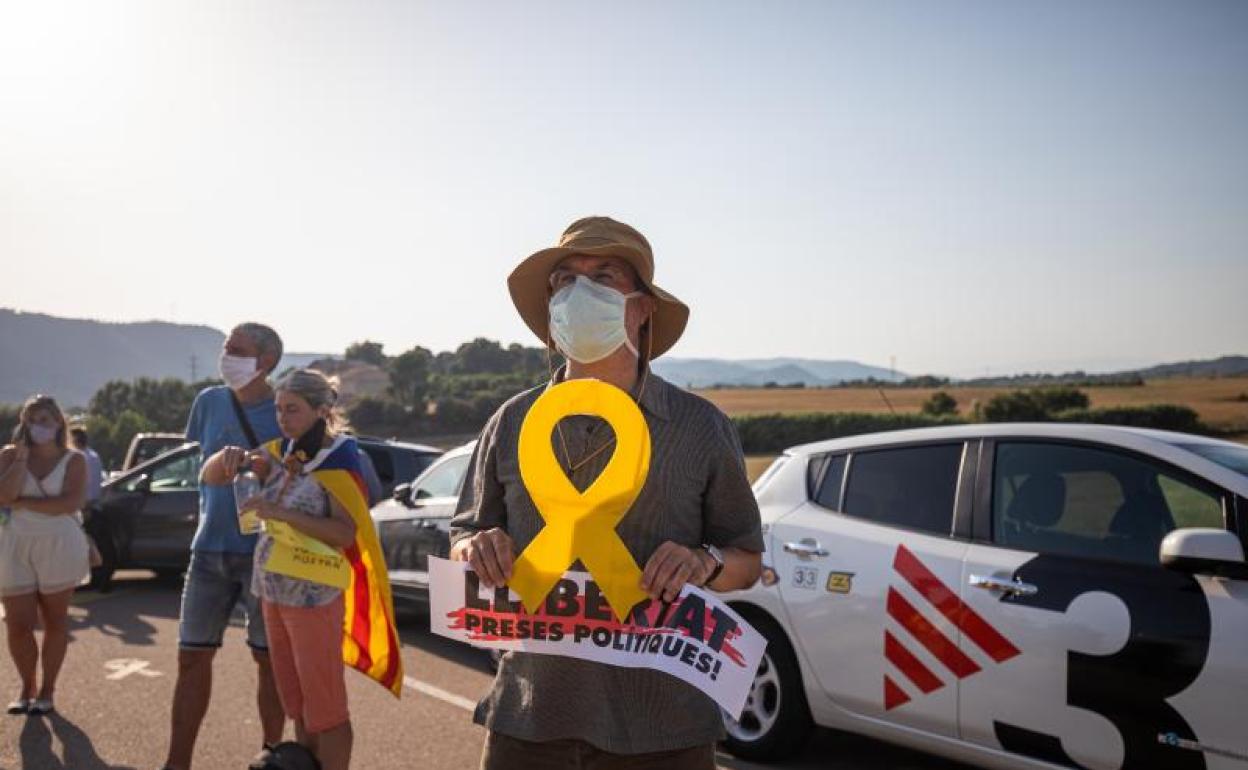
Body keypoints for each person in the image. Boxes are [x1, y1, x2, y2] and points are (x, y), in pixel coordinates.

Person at [449, 216, 765, 769]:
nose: (579, 293)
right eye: (564, 280)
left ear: (642, 309)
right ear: (551, 312)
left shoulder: (699, 426)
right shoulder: (511, 421)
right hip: (528, 717)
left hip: (664, 729)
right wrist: (474, 548)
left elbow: (746, 563)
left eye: (603, 276)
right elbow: (463, 536)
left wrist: (703, 561)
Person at [209, 369, 359, 770]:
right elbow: (210, 475)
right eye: (278, 409)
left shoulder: (340, 457)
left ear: (321, 411)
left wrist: (279, 512)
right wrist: (228, 458)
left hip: (314, 596)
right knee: (298, 703)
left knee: (327, 708)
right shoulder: (280, 452)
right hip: (273, 591)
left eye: (292, 409)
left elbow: (344, 533)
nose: (282, 418)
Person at [160, 323, 286, 770]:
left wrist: (269, 470)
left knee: (268, 662)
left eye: (237, 349)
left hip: (266, 554)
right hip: (208, 550)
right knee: (191, 658)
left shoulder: (286, 409)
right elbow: (199, 466)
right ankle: (176, 763)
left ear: (266, 361)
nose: (226, 355)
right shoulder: (209, 401)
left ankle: (271, 756)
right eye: (226, 348)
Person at [0, 394, 91, 716]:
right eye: (32, 421)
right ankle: (27, 687)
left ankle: (48, 690)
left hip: (59, 545)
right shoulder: (9, 455)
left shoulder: (74, 460)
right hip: (14, 544)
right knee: (17, 624)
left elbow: (69, 503)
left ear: (58, 423)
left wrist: (22, 503)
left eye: (45, 420)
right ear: (23, 425)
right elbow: (3, 495)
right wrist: (21, 459)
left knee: (55, 619)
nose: (39, 426)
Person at [69, 427, 104, 505]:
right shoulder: (94, 455)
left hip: (83, 504)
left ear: (74, 440)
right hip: (95, 501)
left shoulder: (78, 458)